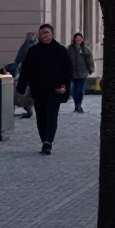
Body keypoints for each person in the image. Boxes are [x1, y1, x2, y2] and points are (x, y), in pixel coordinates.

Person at [15, 24, 72, 155]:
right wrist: (21, 87)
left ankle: (48, 142)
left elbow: (66, 70)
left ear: (52, 34)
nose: (44, 35)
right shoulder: (33, 51)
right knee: (41, 117)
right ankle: (44, 139)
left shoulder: (60, 50)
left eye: (47, 32)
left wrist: (64, 86)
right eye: (42, 33)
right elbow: (26, 70)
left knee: (52, 115)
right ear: (39, 36)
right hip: (38, 89)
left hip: (55, 89)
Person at [10, 32, 36, 119]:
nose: (30, 37)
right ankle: (28, 107)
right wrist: (16, 65)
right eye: (29, 36)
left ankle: (30, 107)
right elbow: (19, 56)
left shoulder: (38, 45)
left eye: (32, 35)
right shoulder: (25, 45)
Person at [66, 33, 94, 113]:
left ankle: (79, 105)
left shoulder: (85, 49)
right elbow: (66, 60)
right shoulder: (70, 49)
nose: (78, 40)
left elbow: (90, 60)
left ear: (82, 39)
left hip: (82, 73)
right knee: (74, 90)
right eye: (76, 38)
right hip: (72, 73)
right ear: (74, 39)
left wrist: (90, 68)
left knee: (80, 90)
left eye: (79, 38)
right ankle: (76, 105)